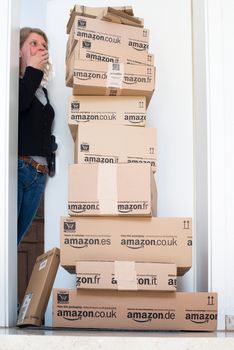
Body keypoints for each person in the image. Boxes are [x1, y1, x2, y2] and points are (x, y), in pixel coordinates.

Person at [18, 27, 56, 245]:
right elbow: (20, 104)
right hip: (20, 169)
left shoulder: (42, 89)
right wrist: (31, 70)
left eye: (44, 45)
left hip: (38, 176)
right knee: (6, 241)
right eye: (34, 43)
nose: (41, 48)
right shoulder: (12, 83)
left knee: (15, 239)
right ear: (18, 50)